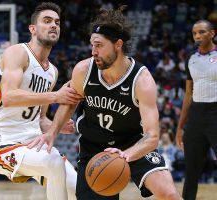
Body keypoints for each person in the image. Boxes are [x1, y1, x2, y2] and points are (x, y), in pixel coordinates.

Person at [31, 6, 181, 200]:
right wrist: (52, 132)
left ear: (118, 44)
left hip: (132, 143)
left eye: (99, 45)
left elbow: (152, 136)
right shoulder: (83, 70)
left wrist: (125, 155)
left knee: (169, 194)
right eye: (92, 45)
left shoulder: (141, 80)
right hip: (94, 148)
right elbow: (69, 103)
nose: (93, 51)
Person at [0, 2, 81, 200]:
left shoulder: (52, 72)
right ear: (33, 29)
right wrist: (55, 96)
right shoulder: (17, 53)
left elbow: (40, 118)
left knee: (78, 188)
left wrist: (56, 125)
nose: (54, 25)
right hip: (2, 142)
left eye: (57, 22)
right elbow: (9, 97)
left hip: (33, 142)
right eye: (47, 21)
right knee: (54, 162)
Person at [176, 19, 217, 200]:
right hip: (195, 118)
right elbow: (188, 94)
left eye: (201, 32)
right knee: (191, 171)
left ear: (212, 34)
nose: (197, 36)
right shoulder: (191, 59)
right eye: (194, 33)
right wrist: (180, 126)